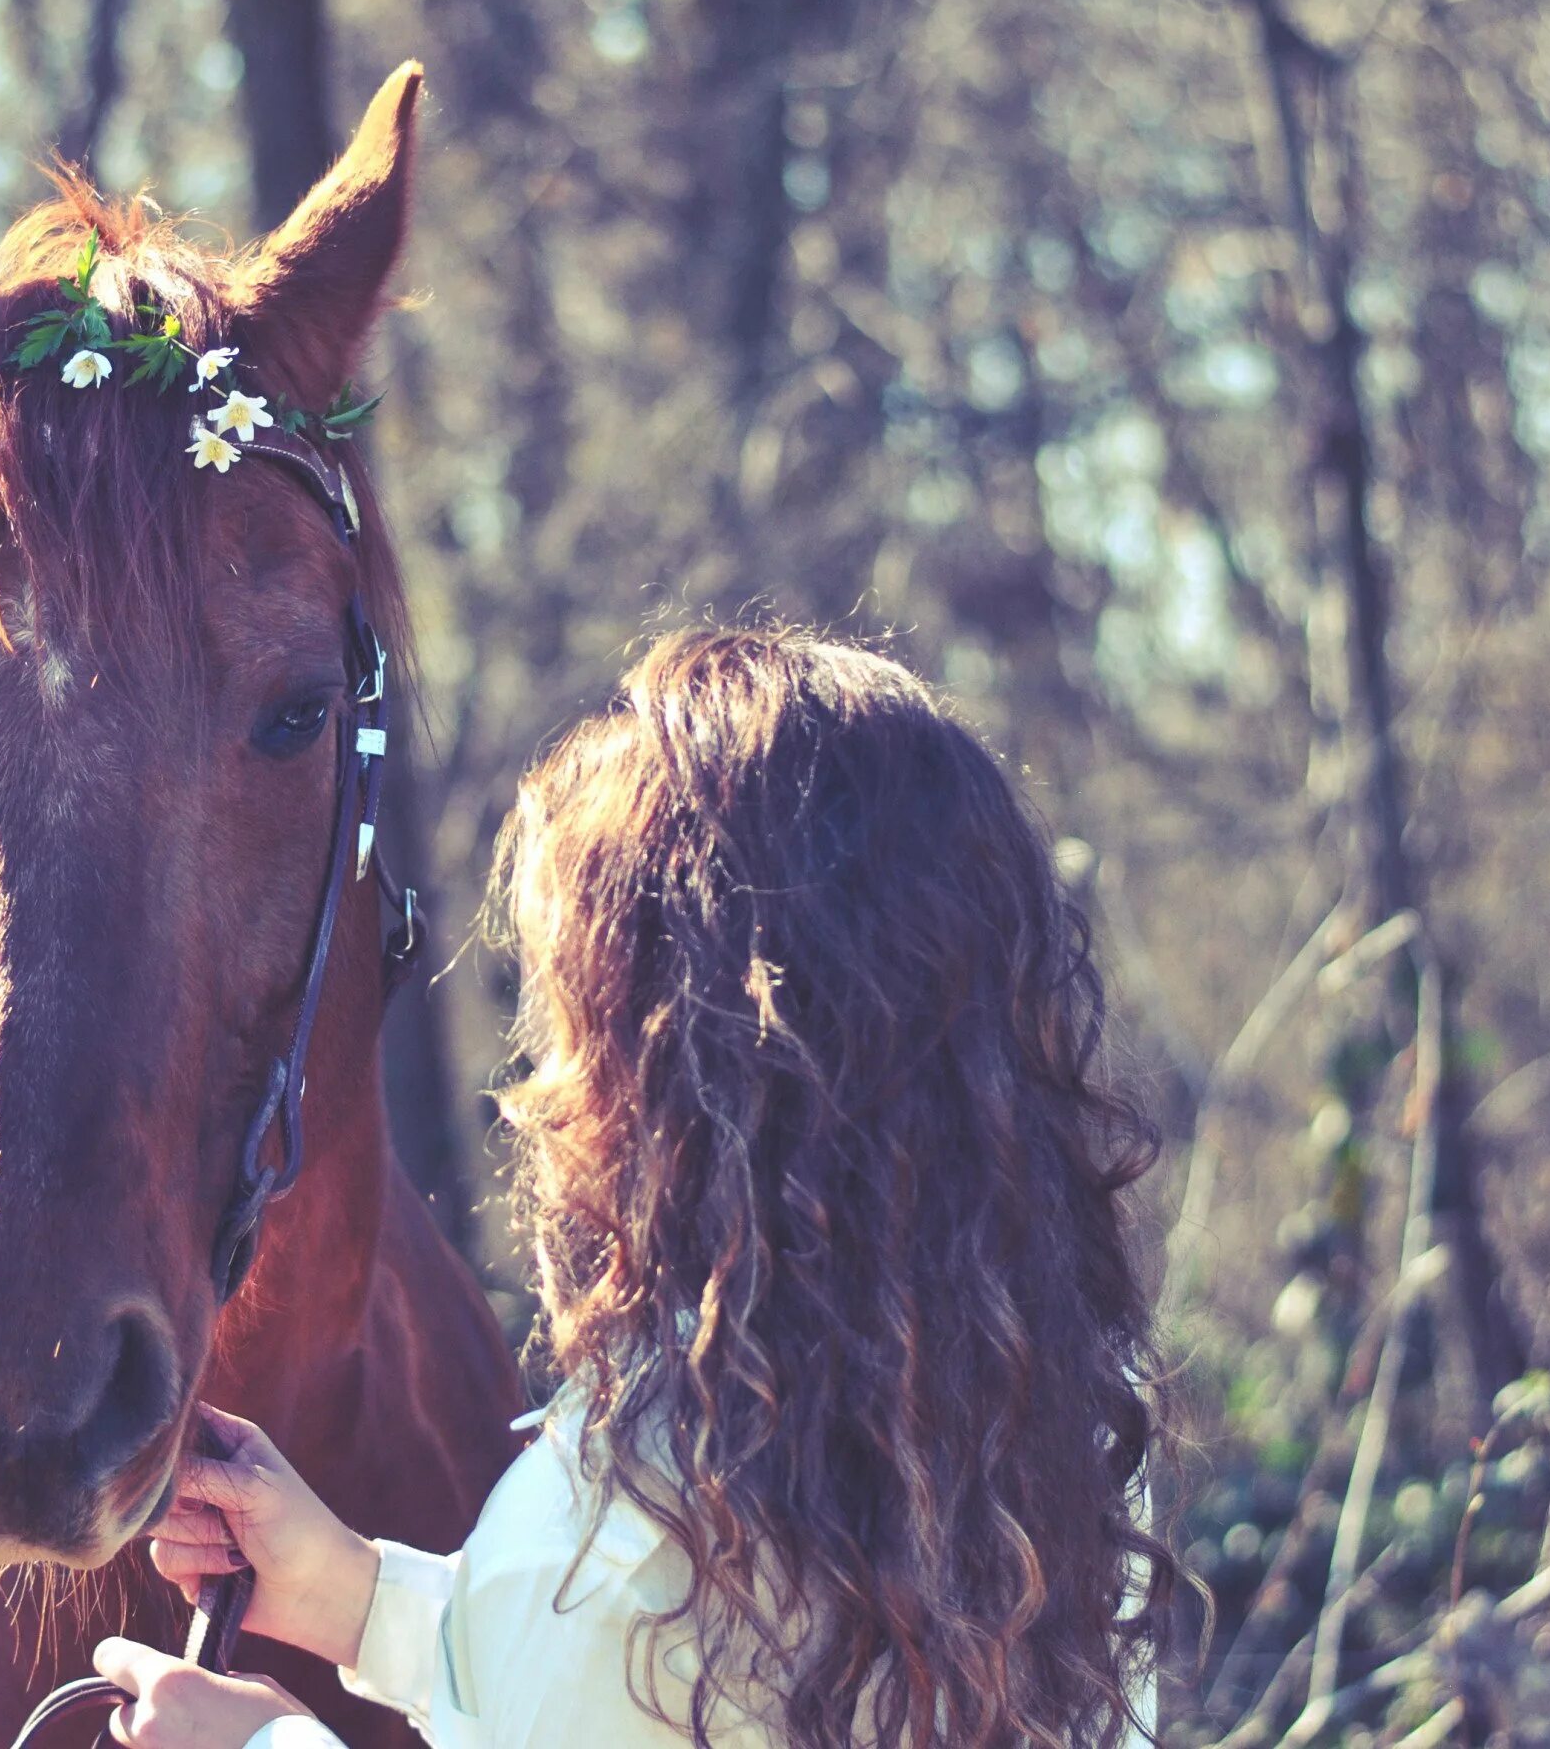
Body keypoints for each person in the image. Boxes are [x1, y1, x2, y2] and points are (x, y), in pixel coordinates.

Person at [90, 627, 1182, 1748]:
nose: (550, 1075)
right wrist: (360, 1600)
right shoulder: (1054, 1406)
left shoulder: (640, 1518)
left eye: (575, 1017)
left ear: (672, 1072)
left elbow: (601, 1665)